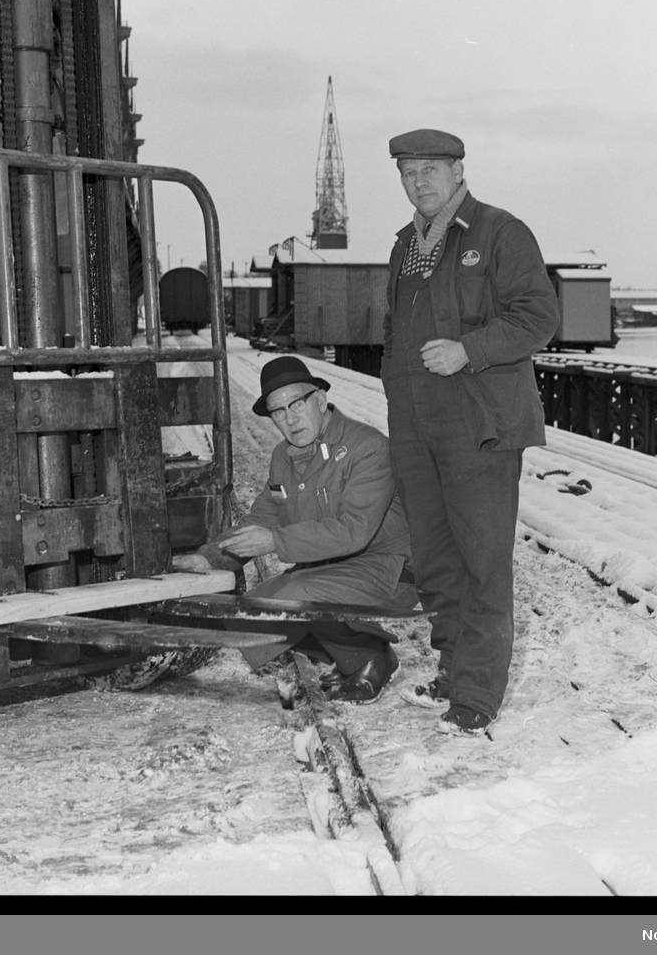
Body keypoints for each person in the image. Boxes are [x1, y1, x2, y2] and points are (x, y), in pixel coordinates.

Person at [382, 130, 559, 736]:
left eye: (431, 169)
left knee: (483, 560)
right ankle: (454, 668)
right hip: (417, 426)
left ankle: (478, 693)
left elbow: (539, 317)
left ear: (458, 170)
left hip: (479, 421)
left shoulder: (499, 232)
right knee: (434, 558)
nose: (420, 181)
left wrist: (469, 351)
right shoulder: (406, 245)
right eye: (409, 172)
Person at [179, 355, 417, 703]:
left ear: (320, 400)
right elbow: (261, 518)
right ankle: (350, 655)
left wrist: (275, 541)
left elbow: (355, 530)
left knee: (296, 595)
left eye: (297, 404)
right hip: (334, 570)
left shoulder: (367, 447)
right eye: (278, 412)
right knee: (250, 613)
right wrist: (211, 558)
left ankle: (371, 656)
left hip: (389, 568)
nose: (290, 420)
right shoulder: (283, 457)